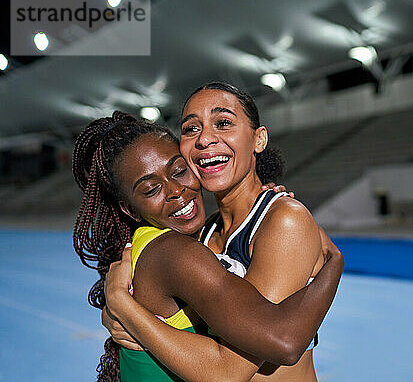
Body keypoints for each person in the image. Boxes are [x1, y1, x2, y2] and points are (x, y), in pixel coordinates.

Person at [72, 111, 344, 382]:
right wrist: (334, 264)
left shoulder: (190, 238)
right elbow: (280, 344)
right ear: (130, 209)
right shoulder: (177, 252)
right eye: (151, 189)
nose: (175, 190)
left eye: (179, 171)